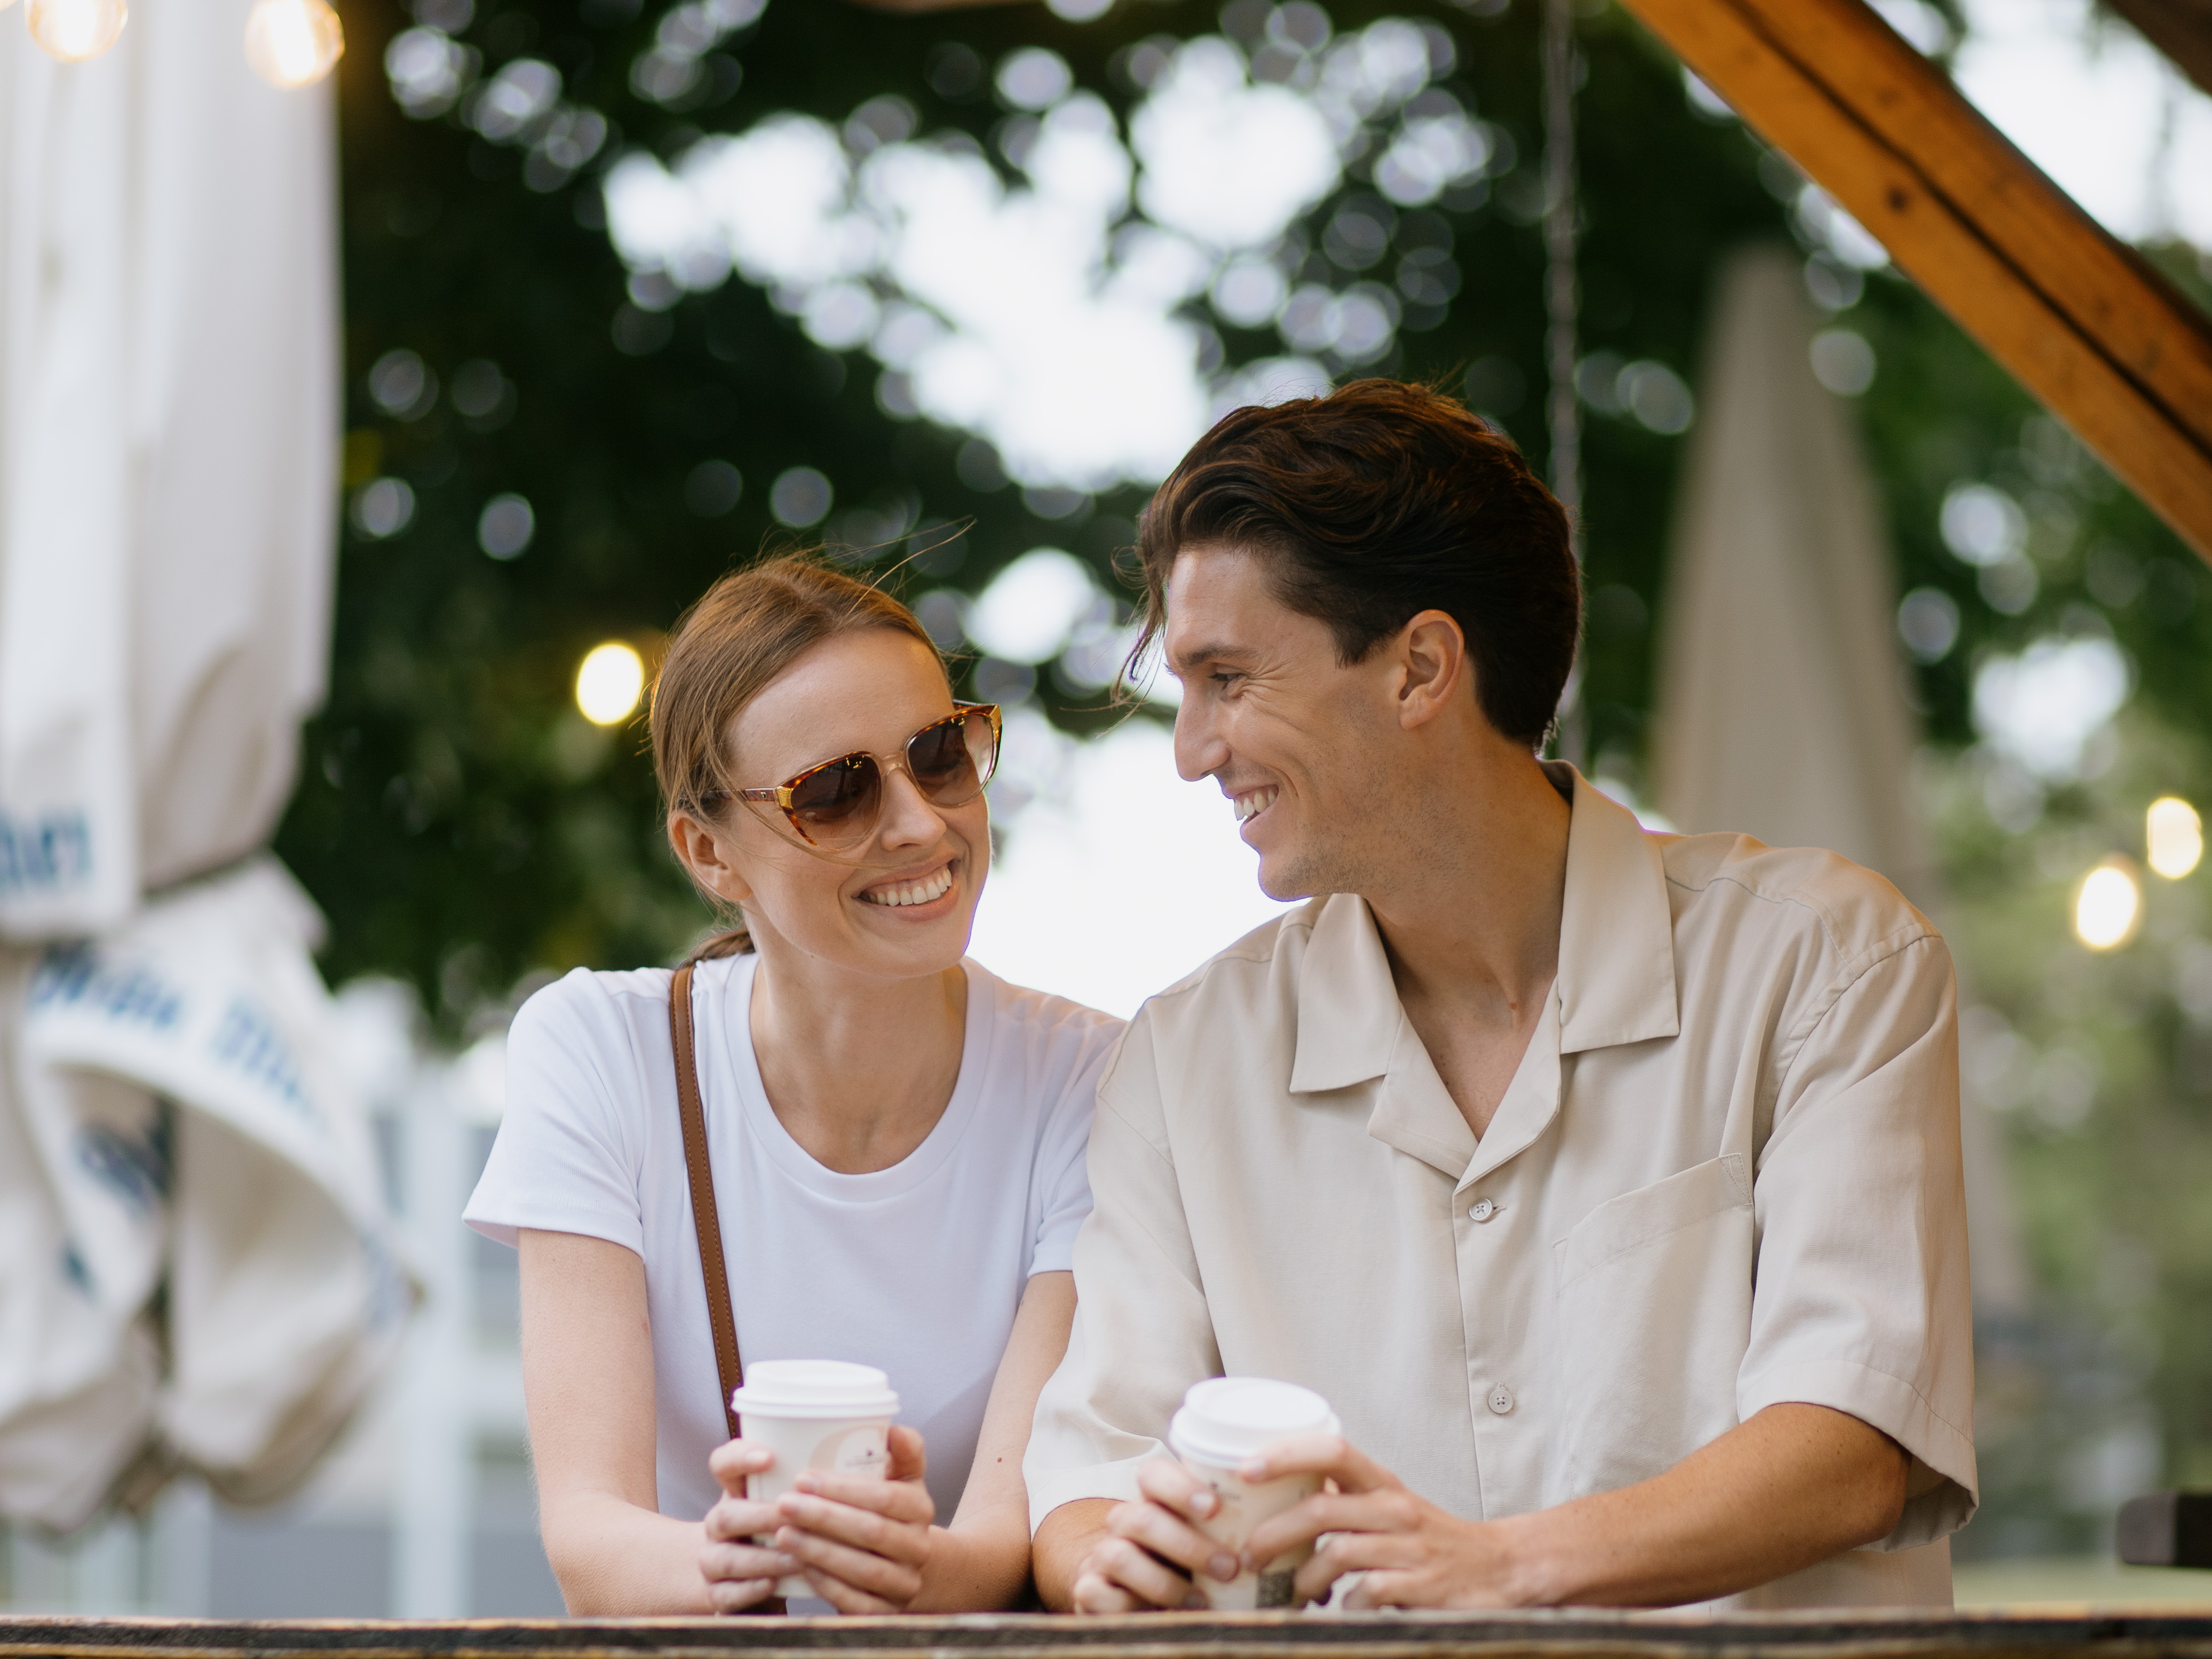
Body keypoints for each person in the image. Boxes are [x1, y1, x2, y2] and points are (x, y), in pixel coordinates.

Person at [1025, 378, 1976, 1612]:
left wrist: (1501, 1565)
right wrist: (1115, 1557)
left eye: (1229, 677)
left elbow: (1857, 1440)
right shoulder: (1183, 1059)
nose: (1192, 747)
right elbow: (1089, 1476)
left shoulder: (1828, 965)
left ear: (1421, 666)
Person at [465, 557, 1120, 1614]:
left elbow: (1010, 1529)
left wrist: (899, 1563)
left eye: (938, 754)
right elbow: (587, 1532)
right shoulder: (599, 1049)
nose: (917, 821)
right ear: (709, 853)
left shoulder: (1089, 1075)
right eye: (834, 791)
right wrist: (760, 1557)